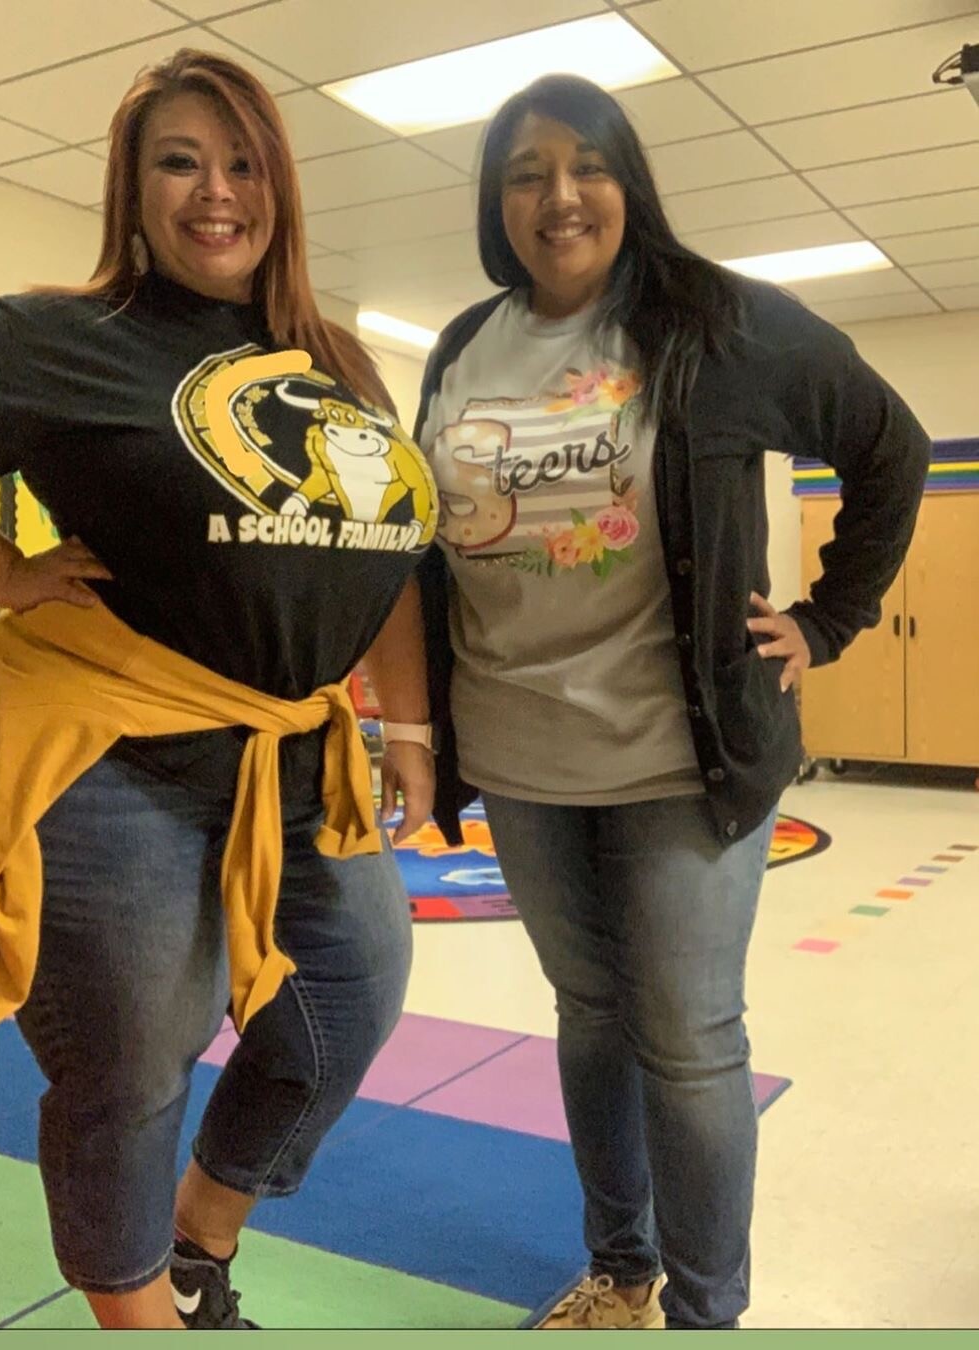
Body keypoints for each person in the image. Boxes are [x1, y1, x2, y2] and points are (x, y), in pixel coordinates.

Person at [0, 49, 439, 1331]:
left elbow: (388, 549)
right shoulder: (60, 335)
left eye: (243, 163)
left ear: (281, 186)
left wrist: (410, 724)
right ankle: (140, 1307)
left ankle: (198, 1241)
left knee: (350, 995)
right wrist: (6, 573)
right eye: (180, 163)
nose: (216, 192)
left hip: (290, 752)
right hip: (112, 758)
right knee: (134, 1065)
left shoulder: (337, 360)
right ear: (131, 188)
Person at [414, 74, 930, 1330]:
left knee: (689, 1037)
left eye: (586, 165)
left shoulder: (718, 322)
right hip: (520, 755)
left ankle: (706, 1314)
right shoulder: (464, 345)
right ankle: (620, 1269)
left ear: (628, 182)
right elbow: (428, 541)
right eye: (527, 173)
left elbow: (891, 446)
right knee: (589, 1017)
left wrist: (826, 619)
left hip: (677, 757)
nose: (560, 195)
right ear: (496, 203)